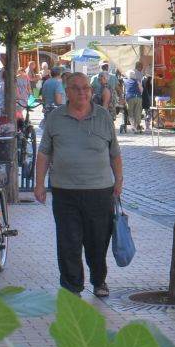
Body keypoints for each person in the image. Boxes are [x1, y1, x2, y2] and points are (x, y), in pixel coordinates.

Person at [33, 74, 123, 297]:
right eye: (76, 88)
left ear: (91, 92)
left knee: (98, 240)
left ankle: (99, 279)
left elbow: (115, 153)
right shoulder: (55, 118)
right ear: (67, 91)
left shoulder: (103, 116)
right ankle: (72, 286)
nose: (82, 92)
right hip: (65, 190)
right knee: (68, 241)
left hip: (99, 191)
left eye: (85, 88)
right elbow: (44, 153)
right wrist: (39, 184)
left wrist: (118, 180)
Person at [124, 65, 145, 133]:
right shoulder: (137, 81)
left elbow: (124, 91)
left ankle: (134, 127)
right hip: (138, 97)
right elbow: (141, 89)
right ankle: (138, 125)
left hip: (130, 98)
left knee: (131, 113)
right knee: (138, 112)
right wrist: (140, 94)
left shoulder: (125, 81)